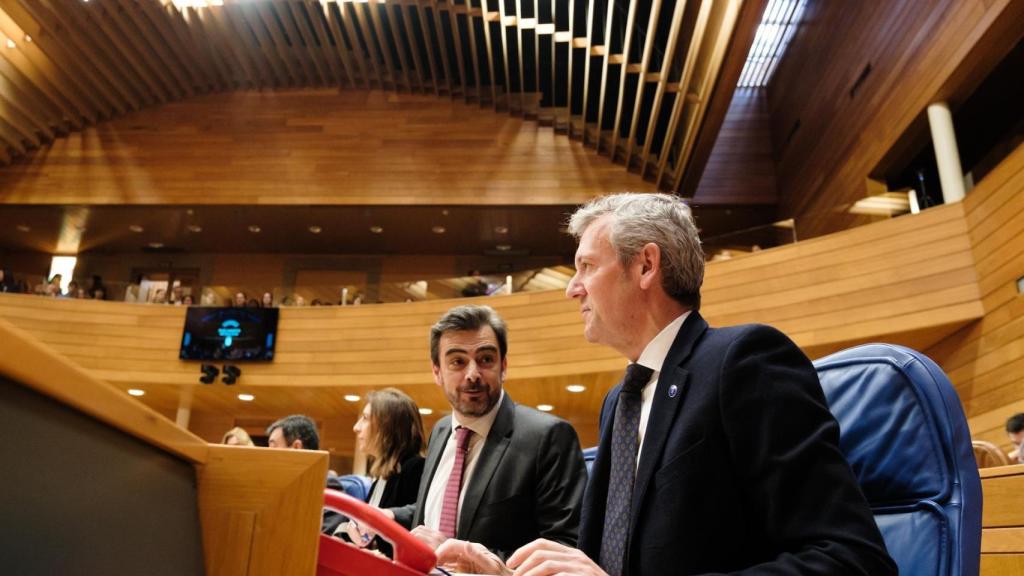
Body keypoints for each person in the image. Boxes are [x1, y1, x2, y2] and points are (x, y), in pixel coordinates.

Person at [440, 193, 895, 576]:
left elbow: (853, 559)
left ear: (645, 266)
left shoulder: (744, 361)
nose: (572, 288)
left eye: (586, 267)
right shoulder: (620, 400)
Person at [383, 305, 587, 560]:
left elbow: (565, 549)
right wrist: (389, 515)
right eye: (457, 361)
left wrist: (463, 559)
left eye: (486, 359)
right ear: (437, 372)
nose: (472, 374)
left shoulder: (549, 437)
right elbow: (438, 511)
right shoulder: (441, 430)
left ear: (503, 366)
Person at [326, 388, 427, 554]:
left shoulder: (415, 468)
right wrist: (345, 535)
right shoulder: (382, 477)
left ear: (387, 426)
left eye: (365, 418)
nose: (356, 427)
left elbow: (416, 522)